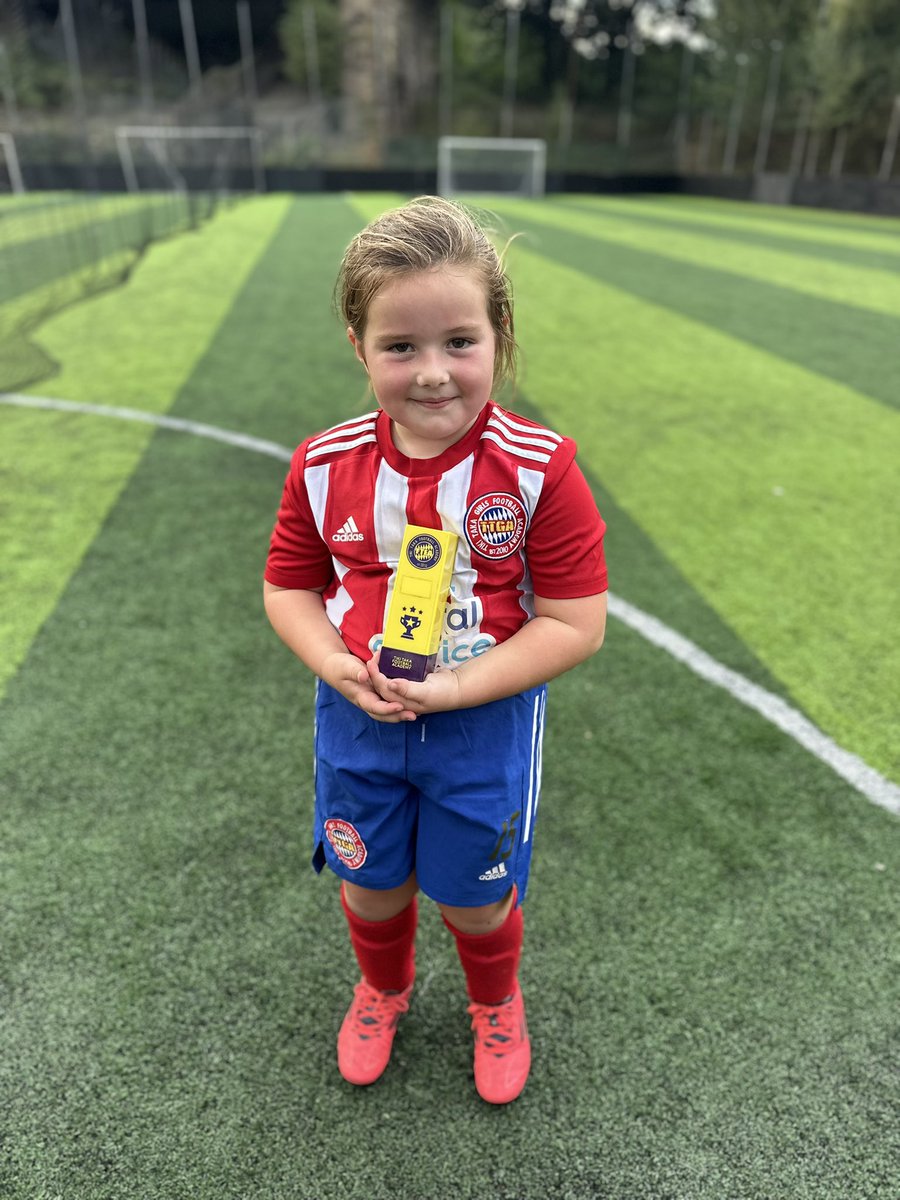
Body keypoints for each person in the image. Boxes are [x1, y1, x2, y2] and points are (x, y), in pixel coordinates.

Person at [263, 195, 607, 1105]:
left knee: (473, 897)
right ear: (358, 346)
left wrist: (456, 689)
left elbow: (576, 622)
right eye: (399, 347)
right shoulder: (324, 462)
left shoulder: (542, 469)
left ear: (497, 332)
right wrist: (332, 662)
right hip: (359, 717)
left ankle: (496, 1003)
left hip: (480, 726)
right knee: (370, 883)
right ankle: (382, 986)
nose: (432, 373)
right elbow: (288, 589)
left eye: (459, 341)